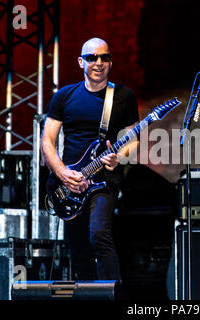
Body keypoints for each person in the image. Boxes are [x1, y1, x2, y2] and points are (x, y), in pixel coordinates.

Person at [41, 38, 139, 281]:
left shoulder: (124, 96)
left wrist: (120, 157)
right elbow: (47, 142)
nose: (99, 63)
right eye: (92, 58)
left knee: (98, 234)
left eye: (105, 58)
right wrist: (63, 173)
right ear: (80, 62)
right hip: (69, 183)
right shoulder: (64, 96)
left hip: (103, 181)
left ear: (111, 62)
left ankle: (111, 294)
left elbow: (134, 142)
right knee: (78, 246)